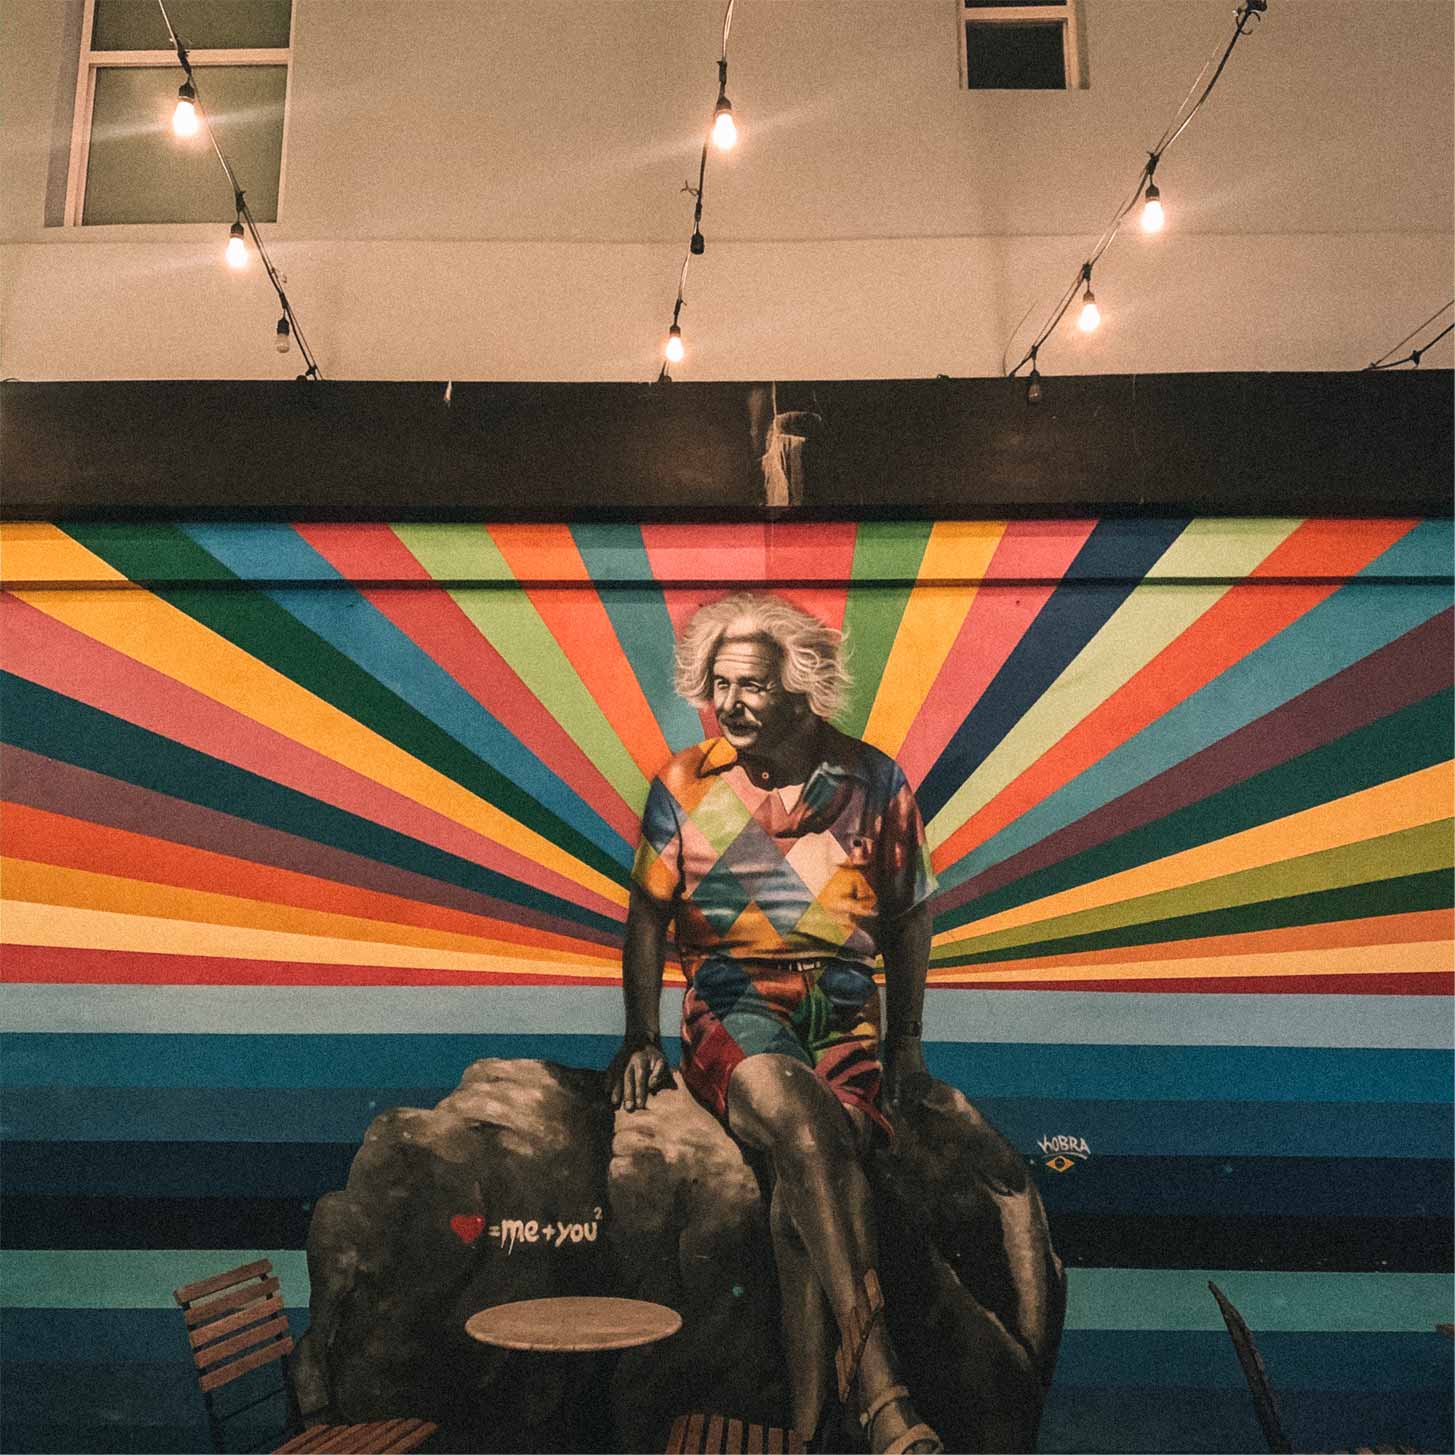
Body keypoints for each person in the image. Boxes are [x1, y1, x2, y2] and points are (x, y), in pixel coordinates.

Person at [607, 592, 943, 1455]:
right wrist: (641, 1036)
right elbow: (646, 916)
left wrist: (904, 1044)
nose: (728, 703)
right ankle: (881, 1388)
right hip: (732, 1000)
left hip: (843, 1010)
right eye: (718, 684)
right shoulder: (684, 782)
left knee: (809, 1182)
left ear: (802, 688)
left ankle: (805, 1428)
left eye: (750, 685)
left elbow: (909, 917)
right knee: (801, 1123)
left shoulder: (875, 780)